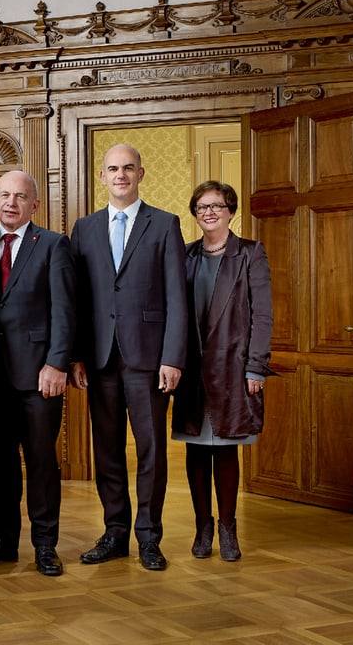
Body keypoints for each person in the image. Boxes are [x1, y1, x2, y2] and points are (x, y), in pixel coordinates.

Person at [69, 143, 187, 571]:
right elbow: (78, 300)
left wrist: (172, 358)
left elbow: (177, 296)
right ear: (102, 176)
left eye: (129, 168)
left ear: (141, 173)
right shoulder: (84, 228)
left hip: (149, 360)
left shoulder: (165, 224)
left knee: (151, 450)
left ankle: (149, 538)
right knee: (107, 451)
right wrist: (77, 356)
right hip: (100, 361)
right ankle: (115, 533)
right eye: (113, 169)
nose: (121, 175)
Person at [0, 170, 76, 577]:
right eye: (4, 195)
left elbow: (65, 311)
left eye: (20, 196)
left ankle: (45, 544)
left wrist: (57, 363)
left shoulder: (52, 245)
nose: (11, 202)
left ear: (35, 203)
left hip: (39, 377)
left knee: (40, 462)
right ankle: (3, 540)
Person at [172, 181, 273, 561]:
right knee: (196, 450)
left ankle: (228, 529)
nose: (209, 212)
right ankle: (204, 526)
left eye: (216, 205)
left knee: (226, 449)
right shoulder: (184, 255)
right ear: (195, 214)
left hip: (233, 370)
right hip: (192, 372)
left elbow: (262, 316)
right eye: (201, 207)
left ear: (231, 210)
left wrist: (256, 368)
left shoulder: (250, 253)